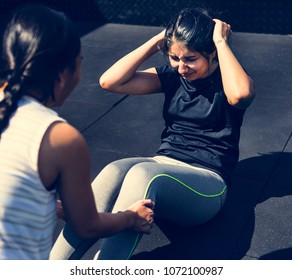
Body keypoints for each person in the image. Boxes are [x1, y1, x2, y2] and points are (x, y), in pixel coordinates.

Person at [50, 7, 255, 260]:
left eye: (191, 59)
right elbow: (109, 82)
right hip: (164, 165)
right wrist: (159, 40)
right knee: (115, 169)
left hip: (207, 183)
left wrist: (221, 41)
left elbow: (241, 96)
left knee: (144, 174)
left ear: (212, 53)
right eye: (175, 58)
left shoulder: (229, 80)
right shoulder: (171, 77)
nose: (182, 67)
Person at [0, 4, 154, 260]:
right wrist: (130, 218)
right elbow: (88, 226)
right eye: (80, 63)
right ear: (63, 74)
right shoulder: (60, 138)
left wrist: (52, 204)